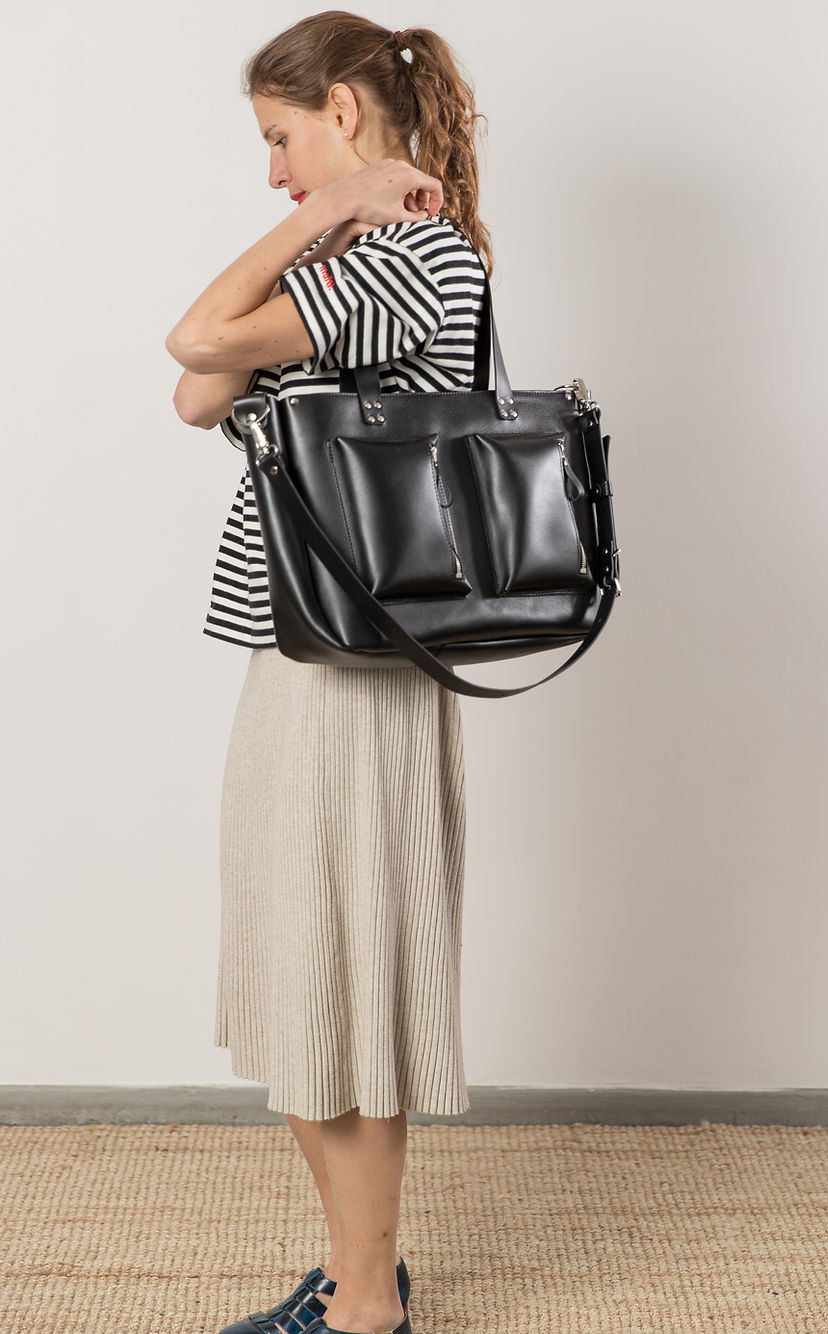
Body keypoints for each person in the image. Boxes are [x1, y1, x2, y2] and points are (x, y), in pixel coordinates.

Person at [165, 13, 493, 1334]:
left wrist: (346, 205)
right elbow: (200, 394)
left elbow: (194, 338)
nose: (276, 177)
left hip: (350, 670)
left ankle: (364, 1306)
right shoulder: (377, 255)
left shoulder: (404, 256)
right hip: (318, 658)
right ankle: (366, 1275)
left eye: (283, 142)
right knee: (316, 979)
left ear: (344, 112)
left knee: (333, 985)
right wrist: (332, 211)